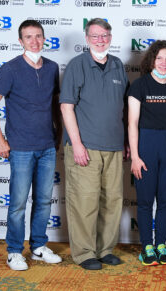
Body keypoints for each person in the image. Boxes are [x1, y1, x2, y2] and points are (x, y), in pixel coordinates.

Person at [60, 18, 129, 270]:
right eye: (95, 36)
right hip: (85, 147)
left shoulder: (118, 65)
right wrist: (77, 144)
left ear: (110, 37)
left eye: (105, 35)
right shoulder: (77, 65)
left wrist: (126, 141)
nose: (101, 40)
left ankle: (105, 249)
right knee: (84, 201)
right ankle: (85, 253)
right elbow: (66, 107)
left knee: (112, 201)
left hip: (114, 147)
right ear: (87, 38)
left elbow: (122, 108)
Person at [0, 20, 62, 271]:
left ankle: (38, 246)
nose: (34, 41)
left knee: (44, 201)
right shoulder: (10, 69)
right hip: (20, 147)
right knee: (19, 203)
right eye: (28, 37)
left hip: (47, 146)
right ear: (20, 41)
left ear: (44, 39)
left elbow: (55, 105)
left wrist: (58, 135)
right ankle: (13, 251)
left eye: (38, 36)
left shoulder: (53, 67)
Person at [128, 40, 166, 266]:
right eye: (159, 58)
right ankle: (147, 247)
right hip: (146, 145)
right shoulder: (139, 85)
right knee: (144, 201)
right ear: (152, 60)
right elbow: (132, 122)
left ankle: (161, 244)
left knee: (165, 200)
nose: (164, 63)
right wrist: (135, 155)